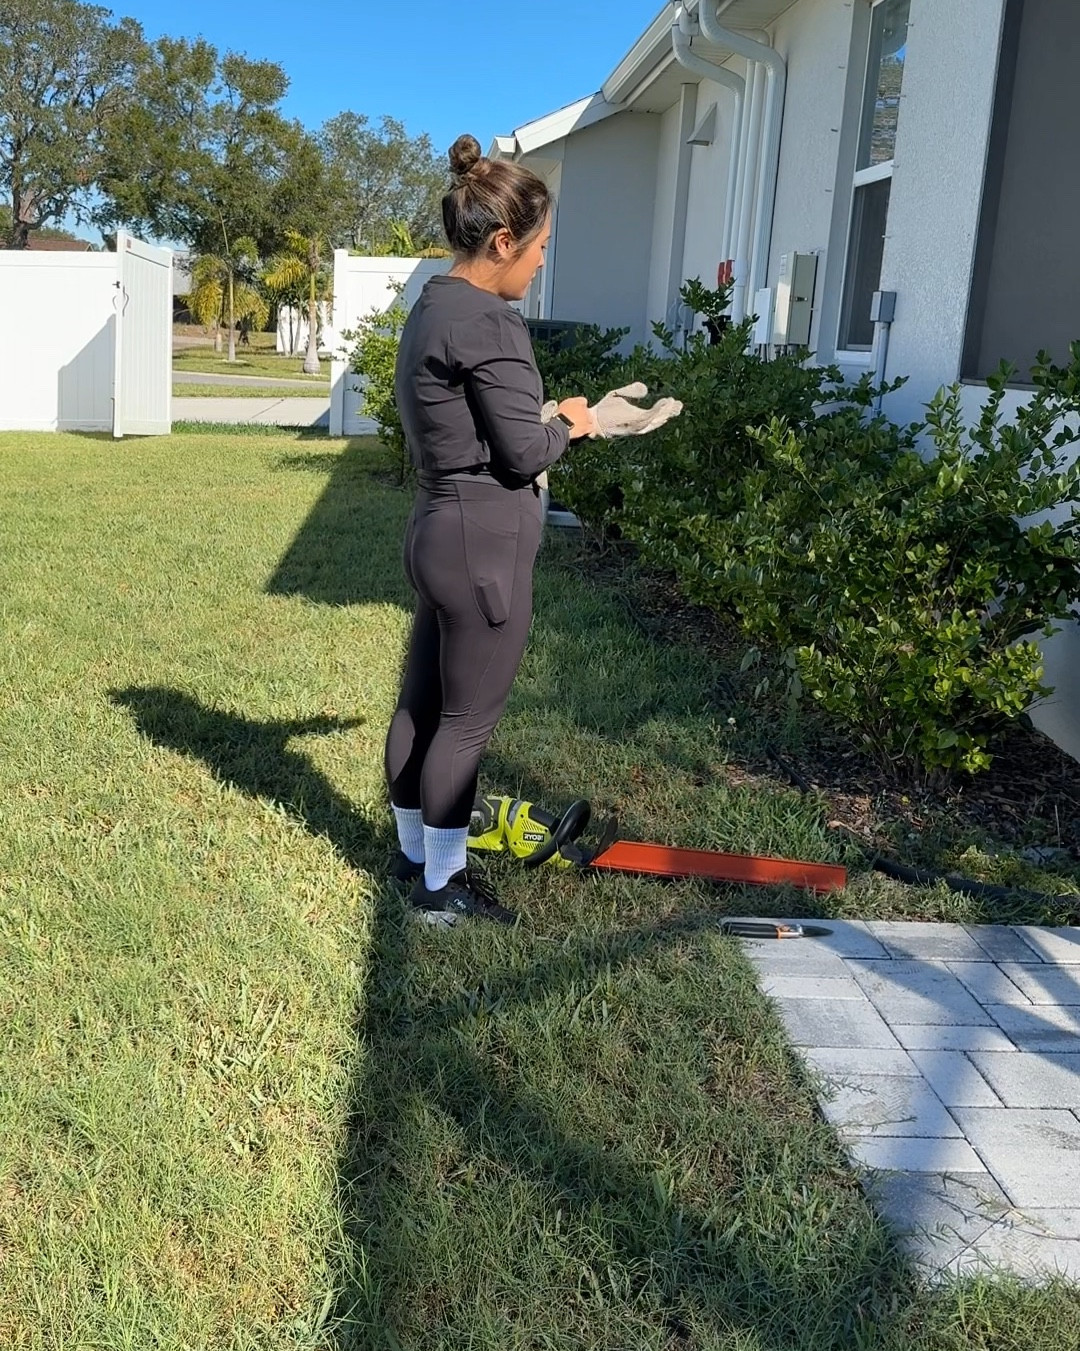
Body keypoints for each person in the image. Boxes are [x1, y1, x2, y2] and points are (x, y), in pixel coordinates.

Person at [383, 133, 596, 926]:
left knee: (422, 706)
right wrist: (574, 420)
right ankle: (442, 885)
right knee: (466, 721)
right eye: (538, 247)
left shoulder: (433, 305)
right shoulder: (492, 324)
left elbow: (477, 430)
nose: (541, 263)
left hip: (438, 527)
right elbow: (524, 450)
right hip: (483, 547)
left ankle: (412, 853)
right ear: (502, 242)